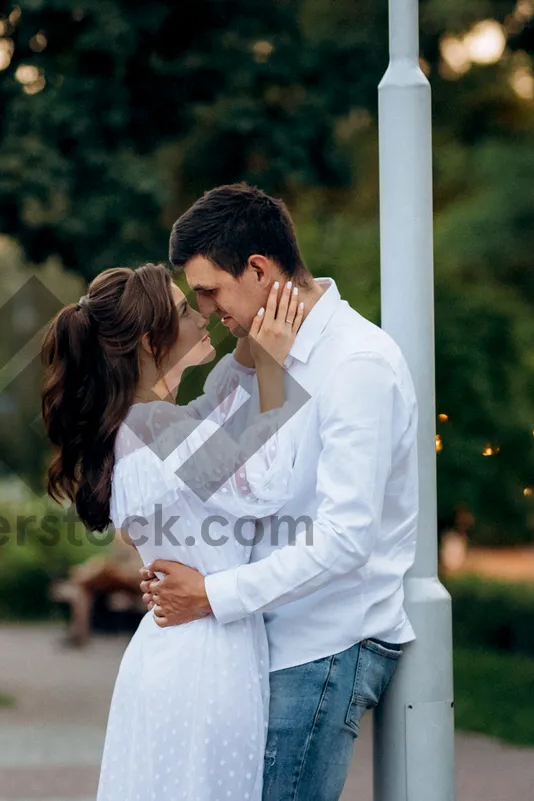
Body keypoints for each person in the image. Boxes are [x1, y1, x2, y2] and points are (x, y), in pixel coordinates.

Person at [141, 183, 418, 801]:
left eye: (211, 291)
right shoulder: (253, 359)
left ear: (259, 270)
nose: (207, 310)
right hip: (260, 638)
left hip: (323, 643)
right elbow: (206, 472)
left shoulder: (357, 364)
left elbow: (345, 538)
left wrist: (211, 595)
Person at [41, 261, 305, 801]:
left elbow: (218, 414)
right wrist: (273, 363)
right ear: (148, 340)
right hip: (204, 660)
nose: (203, 313)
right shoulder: (157, 427)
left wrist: (249, 351)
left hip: (174, 652)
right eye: (185, 310)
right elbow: (267, 484)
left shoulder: (137, 427)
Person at [59, 533, 144, 648]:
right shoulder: (113, 559)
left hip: (136, 587)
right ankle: (79, 634)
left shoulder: (141, 554)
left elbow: (135, 574)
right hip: (113, 586)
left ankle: (79, 634)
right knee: (81, 592)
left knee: (95, 577)